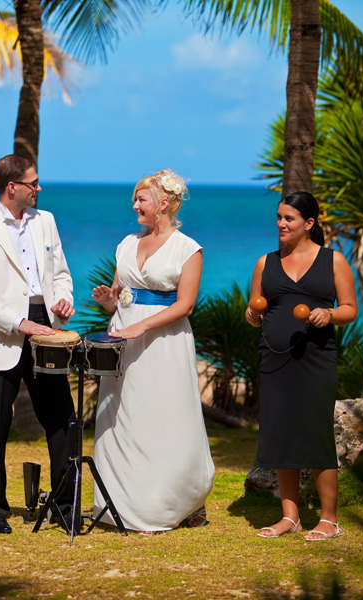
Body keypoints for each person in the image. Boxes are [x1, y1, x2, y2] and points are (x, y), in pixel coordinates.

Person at [91, 169, 215, 534]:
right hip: (123, 342)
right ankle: (120, 501)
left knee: (165, 416)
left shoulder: (187, 248)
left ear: (163, 204)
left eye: (141, 199)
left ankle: (176, 501)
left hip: (163, 343)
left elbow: (185, 305)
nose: (134, 205)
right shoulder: (126, 243)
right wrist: (108, 302)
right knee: (121, 417)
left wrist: (141, 326)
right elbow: (119, 298)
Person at [0, 154, 75, 535]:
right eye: (33, 183)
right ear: (13, 187)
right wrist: (17, 322)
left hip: (46, 327)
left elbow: (60, 273)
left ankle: (64, 504)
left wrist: (64, 299)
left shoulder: (47, 221)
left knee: (60, 418)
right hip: (2, 333)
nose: (38, 188)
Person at [244, 191, 357, 541]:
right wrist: (252, 314)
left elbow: (350, 308)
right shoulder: (265, 262)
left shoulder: (333, 261)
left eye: (288, 218)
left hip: (316, 358)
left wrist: (329, 313)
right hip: (274, 357)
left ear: (309, 223)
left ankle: (329, 519)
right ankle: (290, 516)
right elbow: (254, 310)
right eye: (278, 217)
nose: (280, 223)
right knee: (280, 431)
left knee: (315, 431)